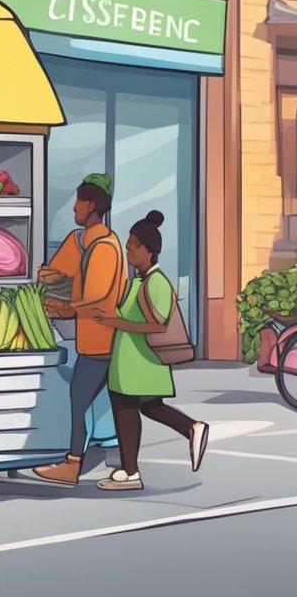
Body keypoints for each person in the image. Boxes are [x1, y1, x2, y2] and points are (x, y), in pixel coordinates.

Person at [93, 210, 209, 491]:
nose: (128, 250)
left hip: (141, 361)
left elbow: (158, 325)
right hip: (129, 360)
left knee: (129, 409)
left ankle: (131, 472)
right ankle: (191, 429)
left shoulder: (156, 282)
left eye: (134, 245)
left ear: (149, 251)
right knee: (146, 407)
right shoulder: (137, 281)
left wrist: (114, 321)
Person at [32, 173, 129, 485]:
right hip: (86, 340)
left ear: (91, 205)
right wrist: (48, 277)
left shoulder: (106, 247)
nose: (74, 207)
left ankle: (73, 464)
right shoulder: (80, 240)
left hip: (104, 340)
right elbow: (60, 270)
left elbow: (99, 298)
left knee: (79, 397)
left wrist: (66, 308)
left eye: (78, 202)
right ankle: (120, 457)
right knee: (97, 398)